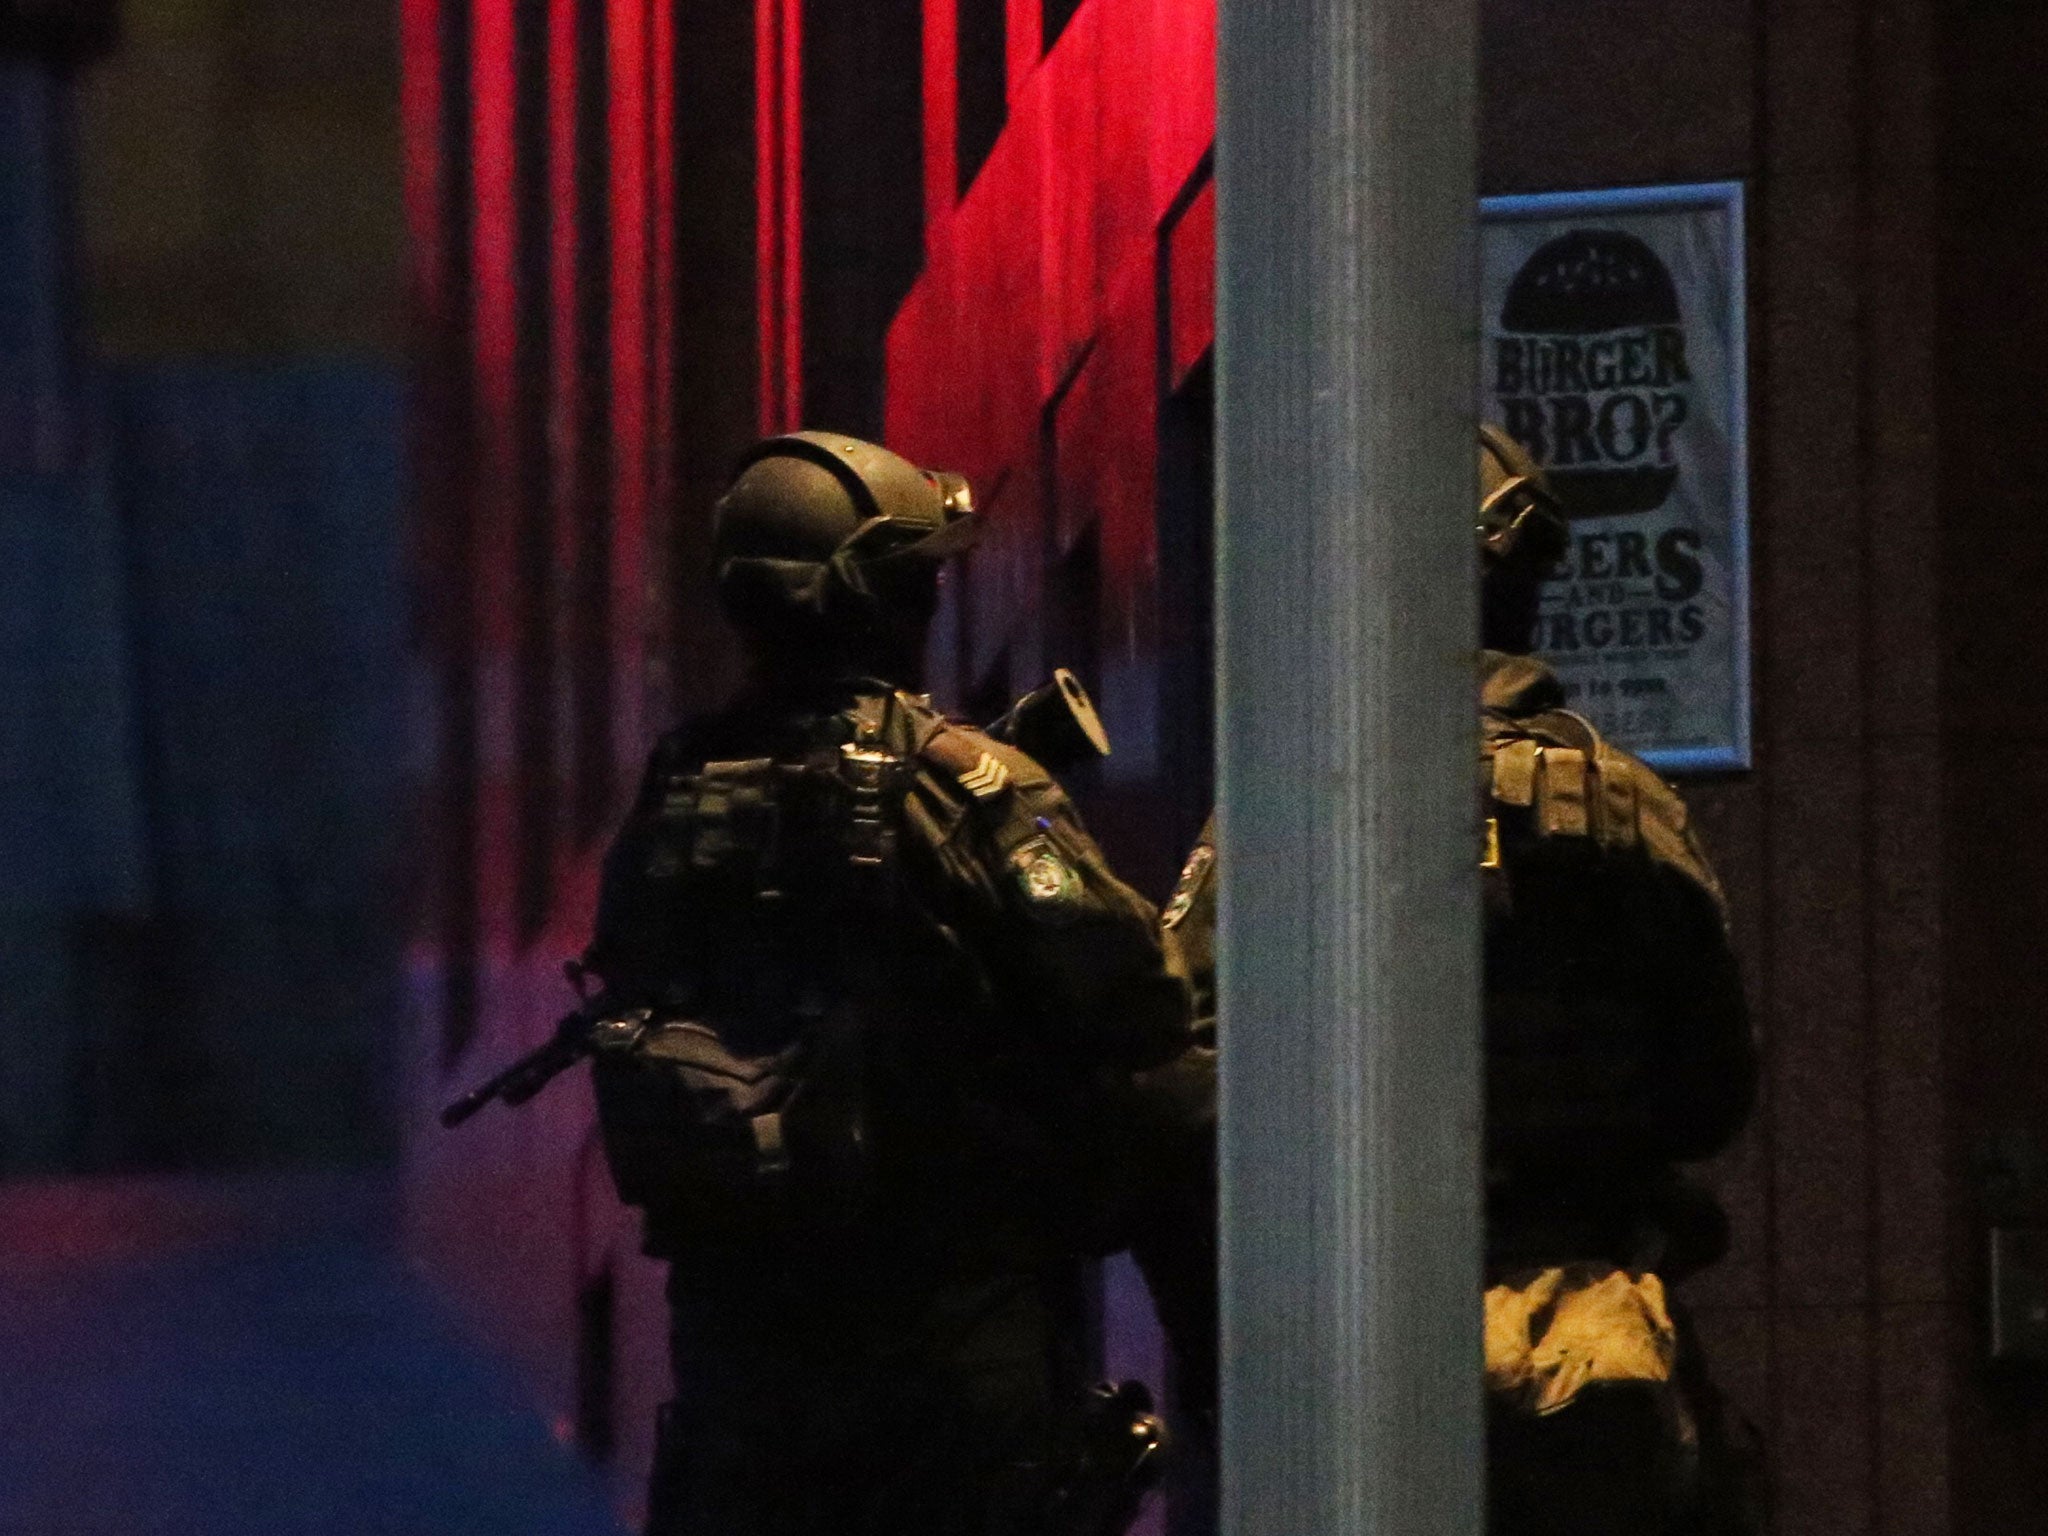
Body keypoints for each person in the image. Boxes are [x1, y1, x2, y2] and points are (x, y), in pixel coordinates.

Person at [577, 431, 1192, 1536]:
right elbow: (1139, 997)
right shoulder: (965, 784)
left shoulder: (676, 790)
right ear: (884, 594)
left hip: (741, 1344)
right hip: (950, 1334)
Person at [1475, 421, 1762, 1536]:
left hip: (1345, 1333)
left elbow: (1184, 1079)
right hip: (1579, 1336)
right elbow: (1710, 1093)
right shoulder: (1620, 806)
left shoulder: (1291, 800)